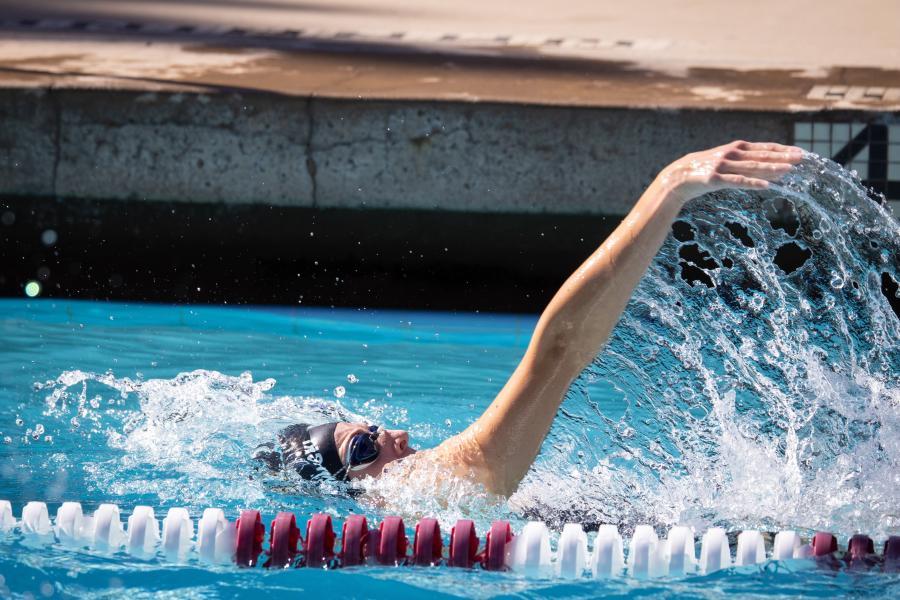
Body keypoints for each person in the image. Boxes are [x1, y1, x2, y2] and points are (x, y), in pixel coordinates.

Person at [255, 140, 803, 497]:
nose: (397, 434)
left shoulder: (428, 506)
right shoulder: (425, 493)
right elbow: (560, 349)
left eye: (372, 430)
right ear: (345, 490)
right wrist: (668, 187)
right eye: (365, 449)